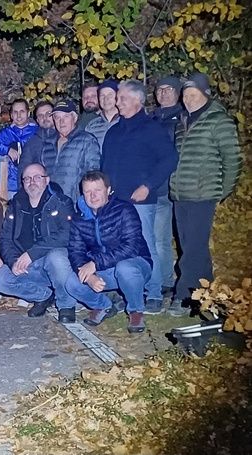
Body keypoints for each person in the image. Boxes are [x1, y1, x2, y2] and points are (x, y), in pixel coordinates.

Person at [101, 79, 178, 314]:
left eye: (122, 98)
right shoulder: (114, 131)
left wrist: (147, 185)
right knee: (116, 246)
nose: (117, 102)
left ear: (137, 100)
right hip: (115, 202)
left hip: (140, 201)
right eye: (117, 98)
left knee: (146, 245)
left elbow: (169, 158)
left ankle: (153, 293)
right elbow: (105, 164)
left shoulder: (151, 128)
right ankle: (125, 292)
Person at [169, 72, 242, 316]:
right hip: (181, 195)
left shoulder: (219, 121)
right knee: (191, 246)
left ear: (205, 94)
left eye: (193, 95)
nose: (188, 100)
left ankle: (183, 297)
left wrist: (222, 191)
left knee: (193, 248)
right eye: (185, 96)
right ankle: (206, 296)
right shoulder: (182, 122)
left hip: (204, 194)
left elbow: (232, 159)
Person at [65, 171, 152, 332]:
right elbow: (75, 251)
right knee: (71, 282)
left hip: (137, 265)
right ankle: (104, 306)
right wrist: (89, 276)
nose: (93, 196)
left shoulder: (125, 210)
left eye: (97, 190)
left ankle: (136, 311)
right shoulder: (79, 218)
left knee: (125, 268)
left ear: (108, 190)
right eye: (87, 192)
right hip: (104, 269)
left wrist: (95, 263)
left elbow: (131, 247)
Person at [0, 164, 75, 322]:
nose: (32, 182)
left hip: (53, 263)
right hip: (27, 264)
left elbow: (67, 234)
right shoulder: (15, 205)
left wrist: (32, 253)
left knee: (57, 258)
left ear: (47, 180)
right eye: (27, 179)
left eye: (37, 177)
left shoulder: (61, 202)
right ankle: (44, 296)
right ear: (22, 183)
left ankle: (66, 305)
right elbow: (5, 238)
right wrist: (12, 261)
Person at [151, 75, 184, 297]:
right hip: (149, 187)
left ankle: (166, 282)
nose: (163, 93)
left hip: (169, 188)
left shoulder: (183, 118)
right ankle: (157, 279)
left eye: (168, 89)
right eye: (160, 89)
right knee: (152, 237)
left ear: (177, 92)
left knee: (161, 238)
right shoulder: (151, 118)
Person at [33, 100, 101, 203]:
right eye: (57, 117)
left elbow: (94, 175)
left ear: (75, 118)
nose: (61, 121)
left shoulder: (87, 140)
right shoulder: (47, 144)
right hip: (52, 204)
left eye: (66, 117)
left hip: (76, 205)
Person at [0, 99, 38, 196]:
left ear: (28, 113)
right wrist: (7, 150)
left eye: (22, 112)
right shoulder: (7, 133)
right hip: (11, 185)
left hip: (33, 183)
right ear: (11, 115)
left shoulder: (37, 132)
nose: (18, 115)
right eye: (15, 112)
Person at [20, 100, 54, 179]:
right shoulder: (32, 143)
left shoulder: (65, 137)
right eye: (40, 115)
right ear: (37, 120)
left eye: (48, 114)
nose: (44, 118)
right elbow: (22, 170)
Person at [84, 79, 120, 152]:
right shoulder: (91, 126)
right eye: (102, 95)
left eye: (110, 95)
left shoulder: (127, 122)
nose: (106, 99)